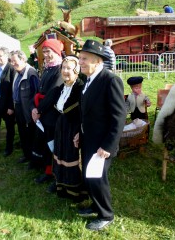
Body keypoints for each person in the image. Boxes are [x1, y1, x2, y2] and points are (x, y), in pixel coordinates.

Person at [73, 39, 126, 231]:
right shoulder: (88, 80)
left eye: (85, 59)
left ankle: (106, 214)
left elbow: (119, 117)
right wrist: (80, 133)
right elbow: (86, 113)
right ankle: (96, 205)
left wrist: (108, 146)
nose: (81, 62)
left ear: (97, 60)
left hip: (102, 144)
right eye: (80, 58)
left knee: (97, 178)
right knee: (89, 177)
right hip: (89, 139)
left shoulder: (110, 80)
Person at [37, 55, 86, 200]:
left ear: (76, 71)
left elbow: (83, 113)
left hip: (73, 128)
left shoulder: (80, 88)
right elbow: (50, 102)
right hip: (61, 126)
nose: (65, 71)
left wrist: (79, 131)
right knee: (59, 156)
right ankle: (61, 184)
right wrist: (37, 110)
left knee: (71, 158)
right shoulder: (62, 87)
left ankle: (75, 190)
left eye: (69, 68)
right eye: (63, 68)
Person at [31, 38, 64, 183]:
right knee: (46, 142)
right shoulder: (48, 67)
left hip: (52, 113)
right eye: (44, 51)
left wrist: (38, 109)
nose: (46, 54)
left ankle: (54, 173)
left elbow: (52, 93)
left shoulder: (60, 69)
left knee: (52, 143)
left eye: (49, 51)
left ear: (56, 52)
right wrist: (35, 106)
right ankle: (47, 169)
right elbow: (40, 89)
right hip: (44, 111)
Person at [10, 50, 39, 164]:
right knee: (22, 132)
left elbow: (36, 94)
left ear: (23, 59)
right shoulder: (17, 72)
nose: (13, 63)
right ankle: (26, 155)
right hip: (18, 107)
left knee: (30, 134)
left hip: (28, 109)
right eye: (11, 61)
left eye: (15, 61)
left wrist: (32, 110)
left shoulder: (31, 73)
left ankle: (33, 158)